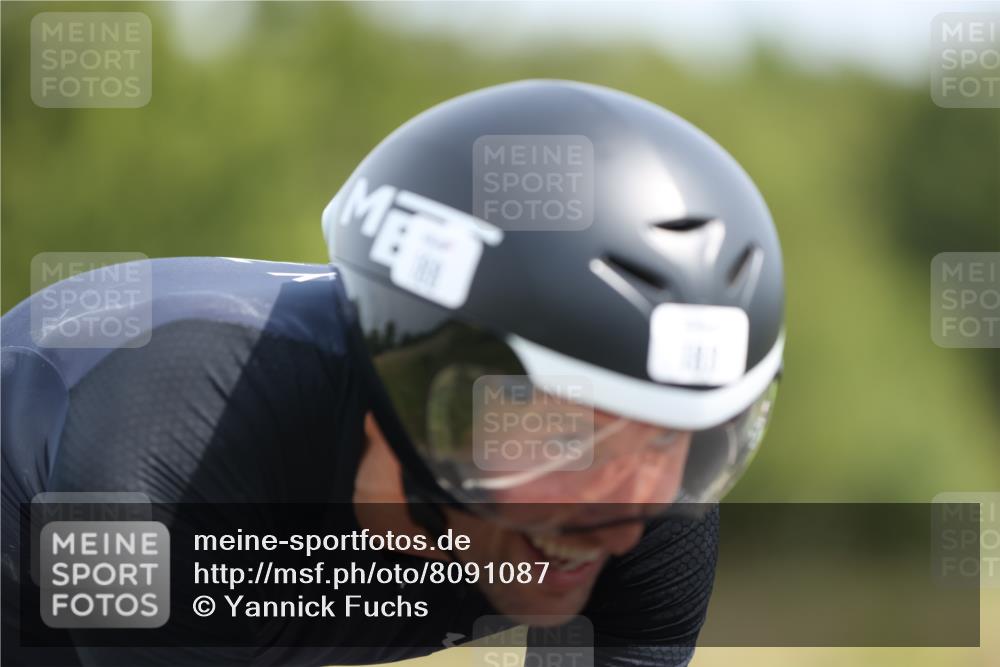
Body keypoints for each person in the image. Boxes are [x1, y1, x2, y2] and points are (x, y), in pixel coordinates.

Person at [1, 80, 784, 666]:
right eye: (570, 431)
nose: (625, 514)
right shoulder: (169, 438)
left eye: (692, 443)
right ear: (420, 384)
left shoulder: (646, 500)